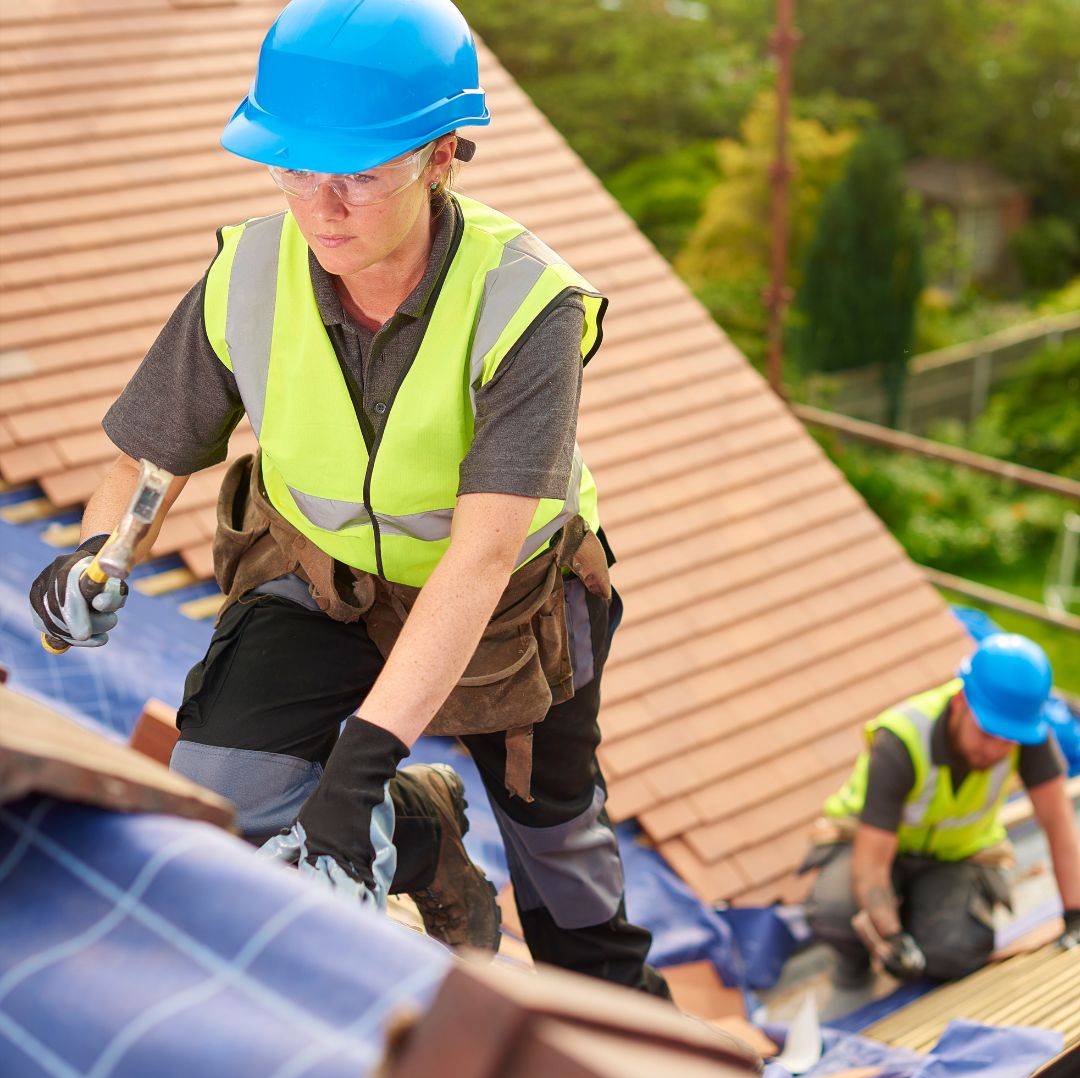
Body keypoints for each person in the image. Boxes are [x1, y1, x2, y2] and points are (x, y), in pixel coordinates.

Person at [29, 0, 670, 997]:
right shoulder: (248, 272)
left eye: (361, 176)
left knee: (566, 886)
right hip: (323, 587)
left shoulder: (526, 303)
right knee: (224, 806)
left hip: (507, 611)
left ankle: (648, 1045)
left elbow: (480, 558)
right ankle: (424, 834)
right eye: (295, 169)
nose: (320, 210)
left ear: (445, 155)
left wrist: (361, 764)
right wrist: (94, 555)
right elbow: (149, 458)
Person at [803, 634, 1080, 987]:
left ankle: (922, 925)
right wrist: (890, 936)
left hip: (952, 858)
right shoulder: (902, 740)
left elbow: (1059, 827)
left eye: (1007, 739)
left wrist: (1075, 914)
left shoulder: (1025, 733)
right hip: (868, 850)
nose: (995, 749)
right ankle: (856, 958)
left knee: (957, 950)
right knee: (838, 912)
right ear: (962, 699)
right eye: (987, 732)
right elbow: (872, 863)